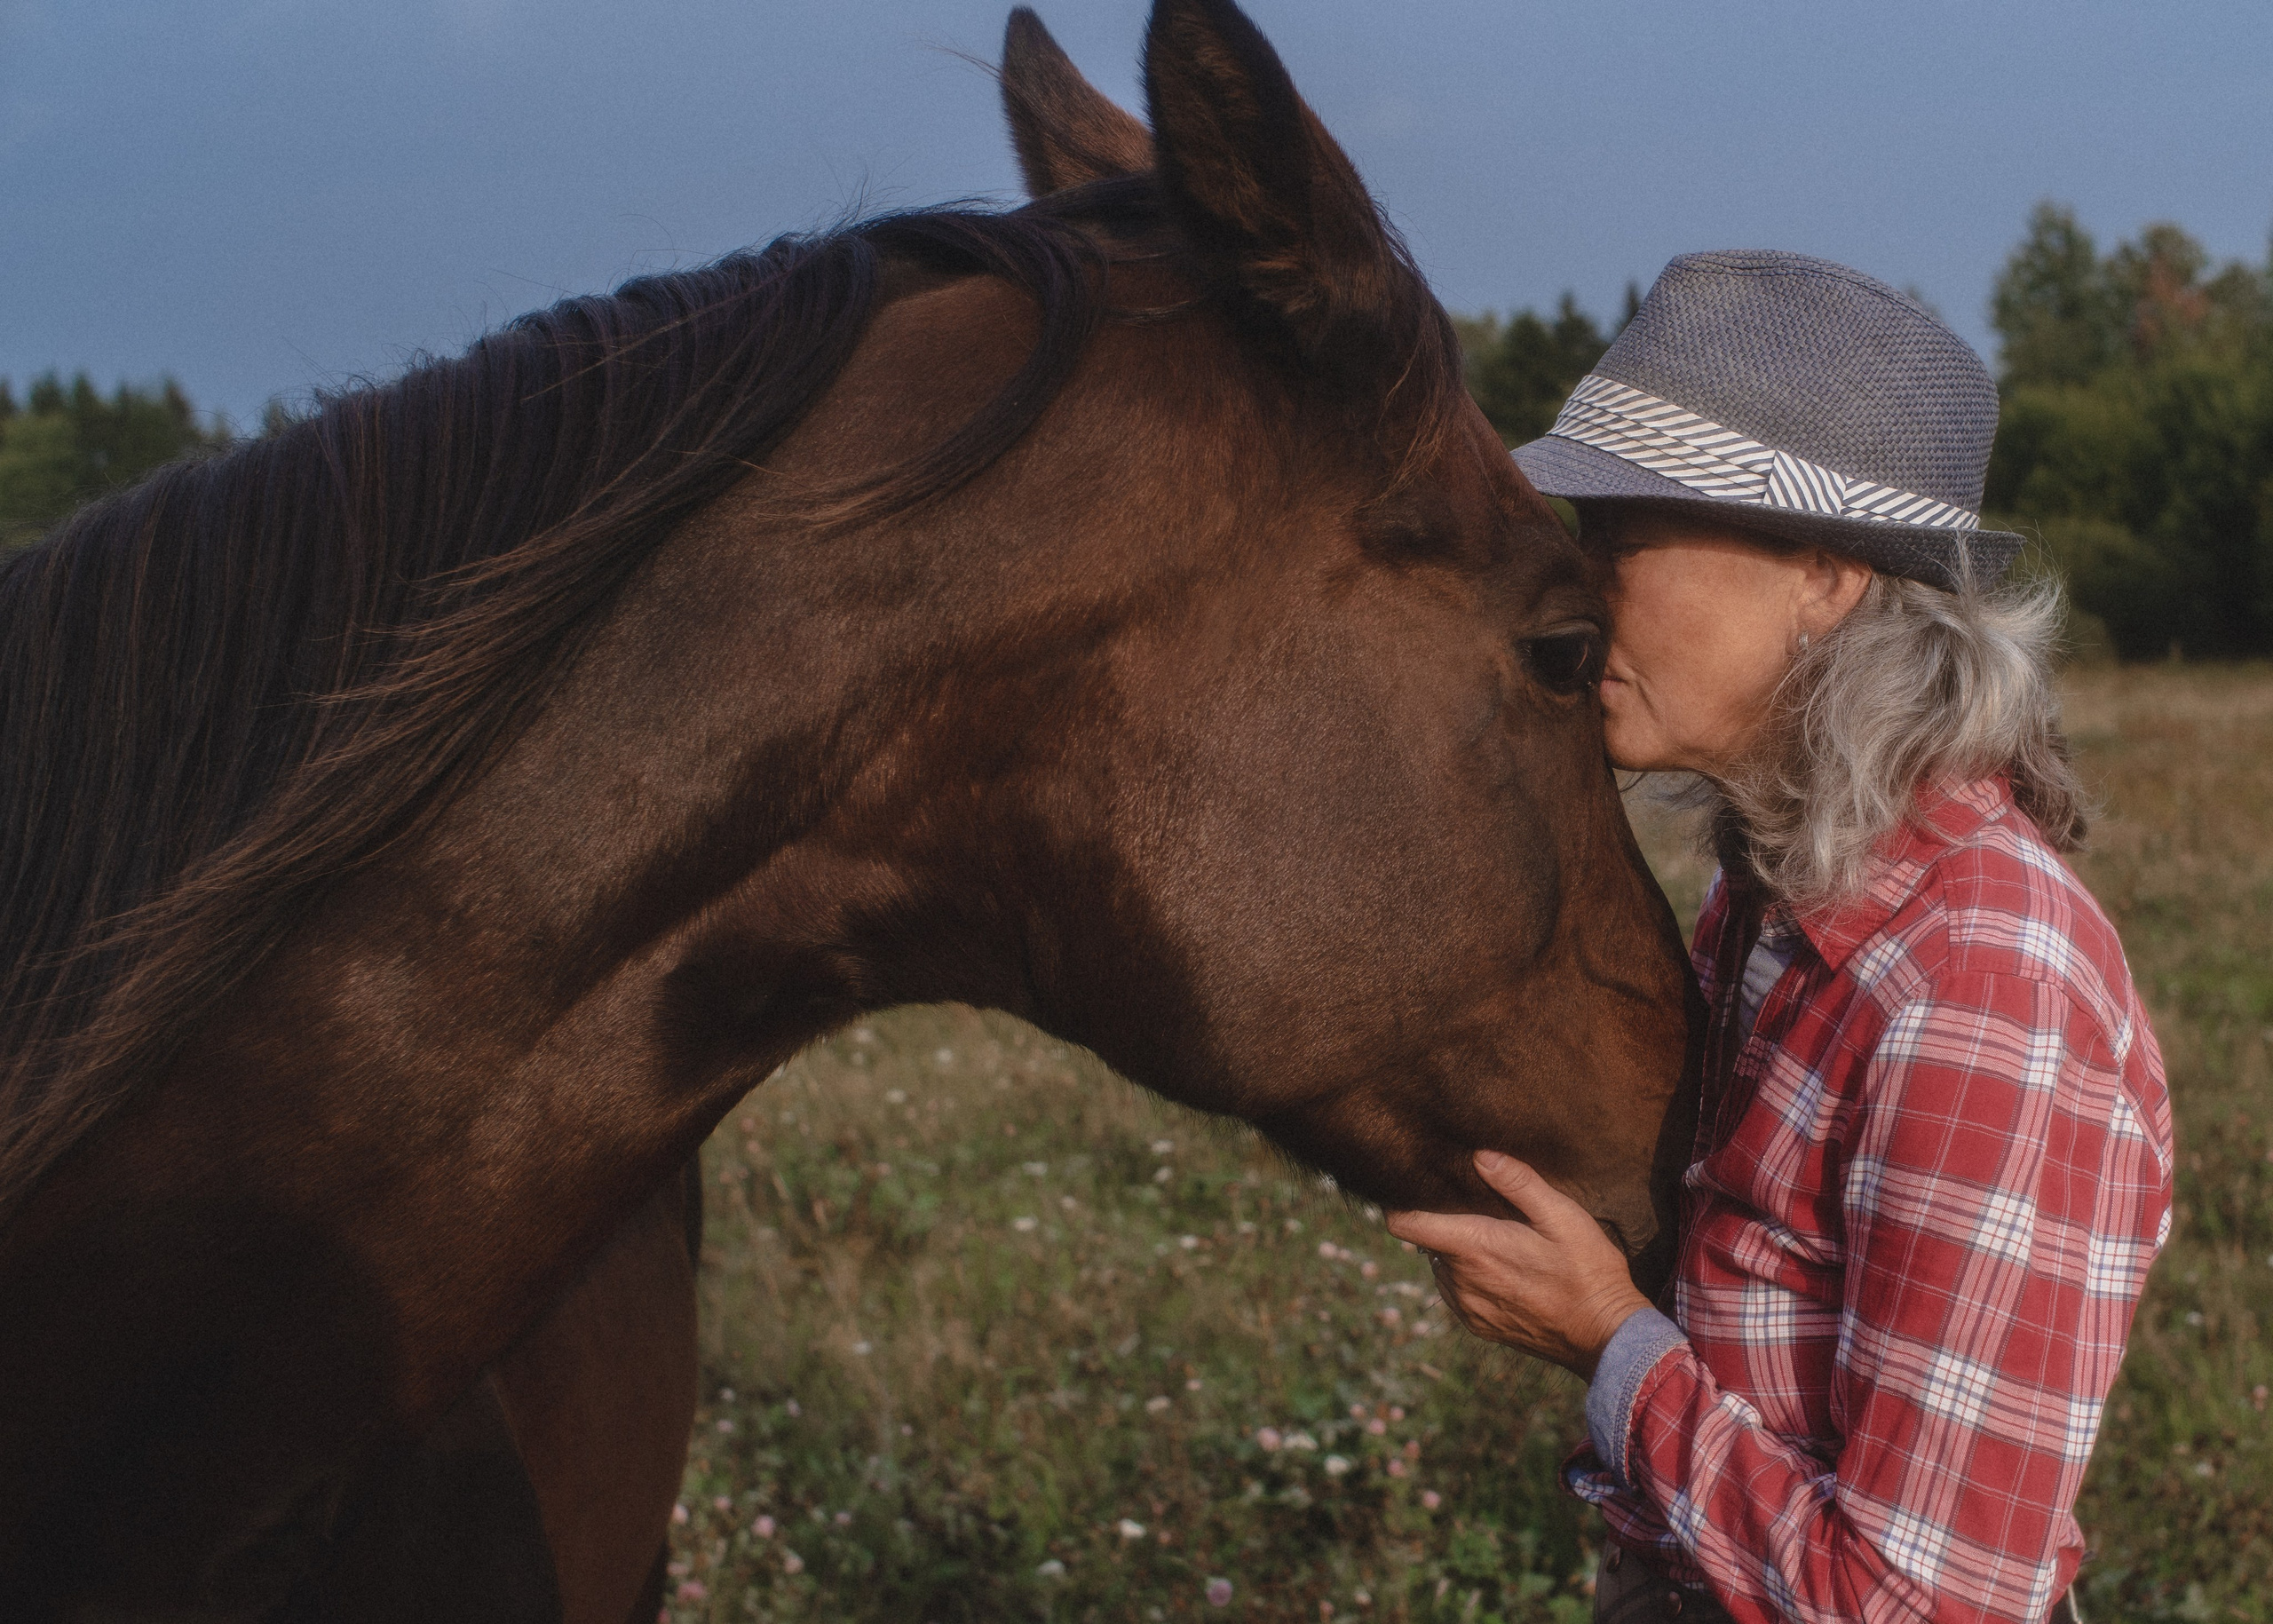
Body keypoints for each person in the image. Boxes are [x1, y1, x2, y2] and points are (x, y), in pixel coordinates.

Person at [1386, 251, 2172, 1624]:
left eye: (1629, 530)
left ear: (1824, 571)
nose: (1585, 571)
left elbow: (1922, 1607)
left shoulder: (1976, 982)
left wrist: (1608, 1342)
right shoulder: (1776, 898)